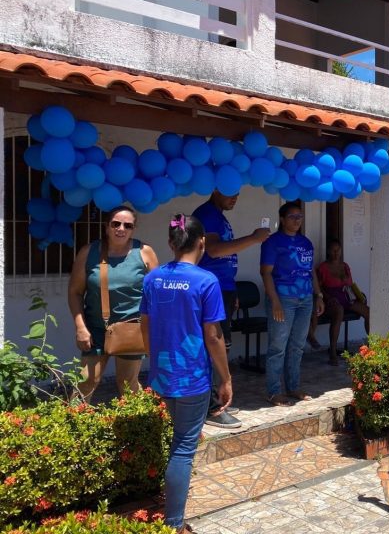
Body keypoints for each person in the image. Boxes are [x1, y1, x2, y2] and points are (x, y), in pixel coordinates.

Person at [140, 214, 232, 534]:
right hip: (192, 377)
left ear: (170, 243)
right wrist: (226, 378)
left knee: (176, 440)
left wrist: (154, 357)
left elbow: (145, 324)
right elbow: (214, 335)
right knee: (183, 447)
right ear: (202, 243)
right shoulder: (206, 281)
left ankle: (172, 514)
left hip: (163, 374)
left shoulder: (153, 279)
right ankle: (174, 524)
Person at [193, 191, 270, 428]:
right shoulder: (207, 214)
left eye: (238, 194)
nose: (235, 198)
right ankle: (212, 408)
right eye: (230, 194)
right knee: (215, 344)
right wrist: (254, 238)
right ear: (216, 189)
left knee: (221, 343)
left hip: (223, 288)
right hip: (212, 288)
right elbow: (214, 250)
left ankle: (218, 399)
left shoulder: (217, 215)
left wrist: (232, 290)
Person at [68, 206, 158, 402]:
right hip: (96, 329)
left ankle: (140, 426)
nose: (121, 229)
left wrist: (153, 329)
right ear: (107, 226)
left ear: (133, 229)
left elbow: (156, 296)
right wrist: (80, 327)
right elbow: (75, 292)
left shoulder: (144, 253)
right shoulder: (88, 252)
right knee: (86, 381)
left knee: (127, 384)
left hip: (131, 328)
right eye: (116, 224)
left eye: (128, 225)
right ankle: (73, 426)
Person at [261, 202, 325, 405]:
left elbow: (310, 271)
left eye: (300, 216)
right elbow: (266, 273)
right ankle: (273, 391)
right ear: (282, 219)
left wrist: (319, 295)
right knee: (278, 346)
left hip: (305, 299)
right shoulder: (273, 243)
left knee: (297, 346)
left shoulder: (306, 243)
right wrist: (275, 302)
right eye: (292, 217)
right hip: (283, 299)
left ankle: (293, 387)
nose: (297, 220)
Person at [311, 239, 369, 365]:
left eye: (338, 250)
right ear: (328, 251)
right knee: (339, 312)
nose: (336, 253)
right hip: (331, 300)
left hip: (347, 298)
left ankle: (373, 346)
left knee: (367, 311)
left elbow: (351, 285)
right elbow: (318, 287)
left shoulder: (345, 266)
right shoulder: (323, 268)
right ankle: (332, 351)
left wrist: (359, 295)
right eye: (333, 250)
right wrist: (326, 297)